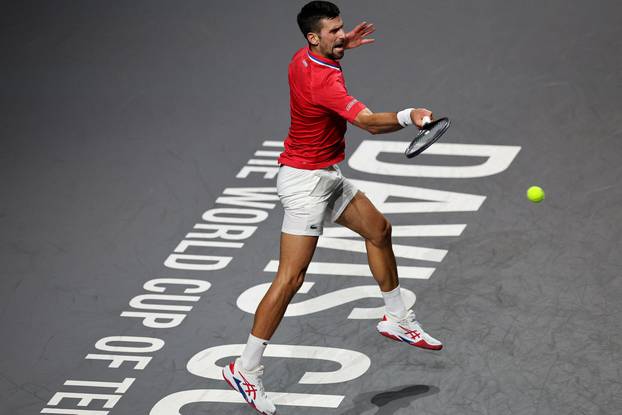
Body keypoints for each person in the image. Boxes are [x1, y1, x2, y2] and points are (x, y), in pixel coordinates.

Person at [223, 2, 442, 414]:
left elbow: (327, 62)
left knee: (378, 230)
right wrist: (409, 114)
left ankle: (396, 317)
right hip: (306, 184)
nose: (342, 35)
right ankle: (245, 369)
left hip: (325, 175)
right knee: (290, 278)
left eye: (342, 29)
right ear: (313, 37)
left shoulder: (301, 59)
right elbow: (371, 123)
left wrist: (342, 47)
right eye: (334, 32)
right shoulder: (324, 81)